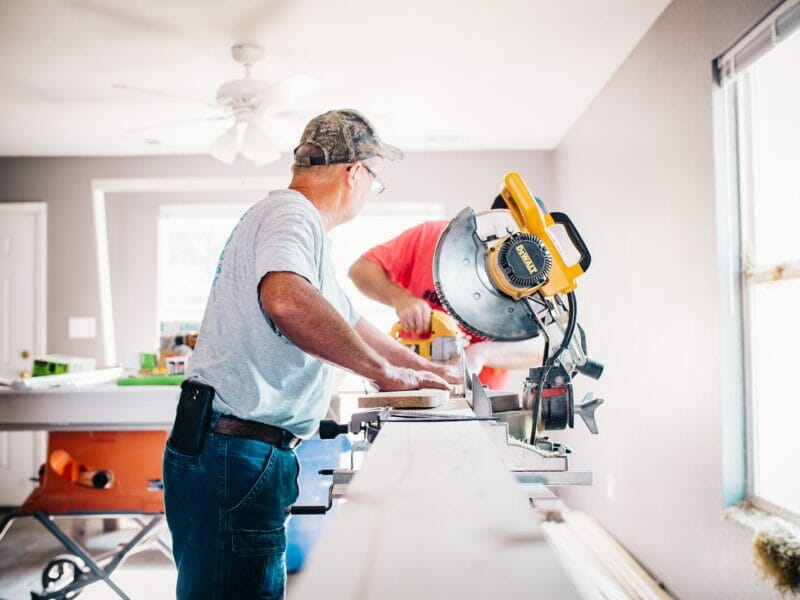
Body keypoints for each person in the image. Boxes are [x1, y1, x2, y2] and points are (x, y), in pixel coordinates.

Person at [162, 109, 458, 600]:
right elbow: (285, 299)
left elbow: (352, 321)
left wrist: (422, 369)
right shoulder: (292, 214)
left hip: (232, 448)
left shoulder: (298, 229)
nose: (368, 192)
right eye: (374, 181)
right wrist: (385, 375)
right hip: (234, 452)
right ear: (355, 172)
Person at [348, 196, 546, 390]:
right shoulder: (431, 237)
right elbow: (361, 270)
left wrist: (481, 353)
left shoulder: (533, 279)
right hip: (411, 382)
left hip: (480, 394)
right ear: (489, 219)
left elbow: (542, 347)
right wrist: (400, 298)